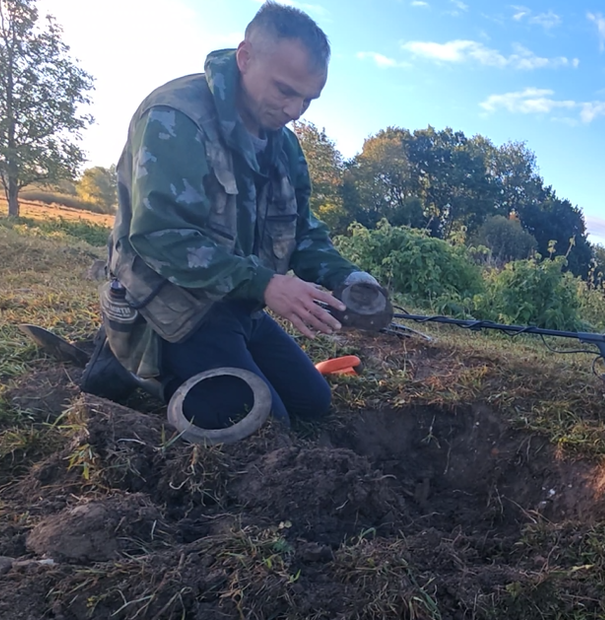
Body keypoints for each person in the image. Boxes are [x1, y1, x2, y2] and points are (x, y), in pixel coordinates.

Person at [81, 2, 381, 430]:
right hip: (170, 307)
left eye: (308, 99)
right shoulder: (175, 116)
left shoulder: (284, 145)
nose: (295, 111)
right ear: (245, 57)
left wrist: (350, 281)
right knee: (260, 422)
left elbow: (303, 232)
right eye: (284, 91)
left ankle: (201, 364)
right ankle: (135, 363)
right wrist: (266, 284)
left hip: (236, 304)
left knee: (313, 402)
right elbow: (160, 234)